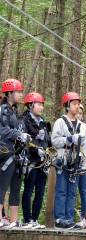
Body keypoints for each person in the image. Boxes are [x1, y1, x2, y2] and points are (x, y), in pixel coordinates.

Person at [51, 92, 86, 229]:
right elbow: (54, 141)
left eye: (78, 104)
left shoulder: (82, 126)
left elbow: (84, 146)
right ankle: (59, 219)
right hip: (63, 160)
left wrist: (84, 163)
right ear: (67, 106)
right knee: (61, 189)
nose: (77, 106)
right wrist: (67, 139)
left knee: (72, 192)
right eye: (74, 104)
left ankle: (69, 218)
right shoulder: (60, 122)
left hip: (76, 163)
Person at [0, 79, 30, 228]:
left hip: (16, 153)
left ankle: (14, 220)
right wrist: (17, 134)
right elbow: (2, 130)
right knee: (2, 186)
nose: (20, 94)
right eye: (17, 92)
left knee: (16, 188)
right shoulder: (3, 109)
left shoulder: (15, 112)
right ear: (9, 93)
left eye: (20, 91)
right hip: (5, 153)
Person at [21, 92, 51, 229]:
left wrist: (50, 153)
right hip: (31, 161)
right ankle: (27, 219)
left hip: (43, 162)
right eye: (39, 104)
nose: (41, 107)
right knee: (28, 190)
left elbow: (48, 142)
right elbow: (25, 141)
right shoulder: (24, 120)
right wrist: (35, 149)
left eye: (42, 105)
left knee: (40, 191)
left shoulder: (44, 122)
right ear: (31, 105)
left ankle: (35, 219)